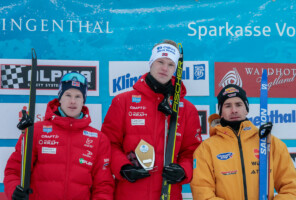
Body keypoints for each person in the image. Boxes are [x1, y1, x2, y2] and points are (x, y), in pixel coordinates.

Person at [101, 39, 202, 200]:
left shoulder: (187, 109)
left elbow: (193, 151)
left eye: (170, 64)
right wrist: (122, 167)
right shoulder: (124, 101)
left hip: (168, 193)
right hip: (130, 192)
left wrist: (183, 170)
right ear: (151, 62)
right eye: (160, 61)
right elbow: (108, 143)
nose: (164, 68)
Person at [4, 72, 114, 200]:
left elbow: (103, 185)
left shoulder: (98, 138)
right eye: (68, 95)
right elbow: (14, 171)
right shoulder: (37, 131)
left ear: (83, 100)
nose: (73, 101)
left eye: (78, 96)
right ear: (60, 98)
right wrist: (14, 190)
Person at [191, 84, 296, 200]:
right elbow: (202, 193)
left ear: (246, 109)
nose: (234, 110)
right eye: (228, 106)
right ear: (221, 112)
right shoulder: (206, 149)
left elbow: (292, 188)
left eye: (238, 104)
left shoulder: (270, 143)